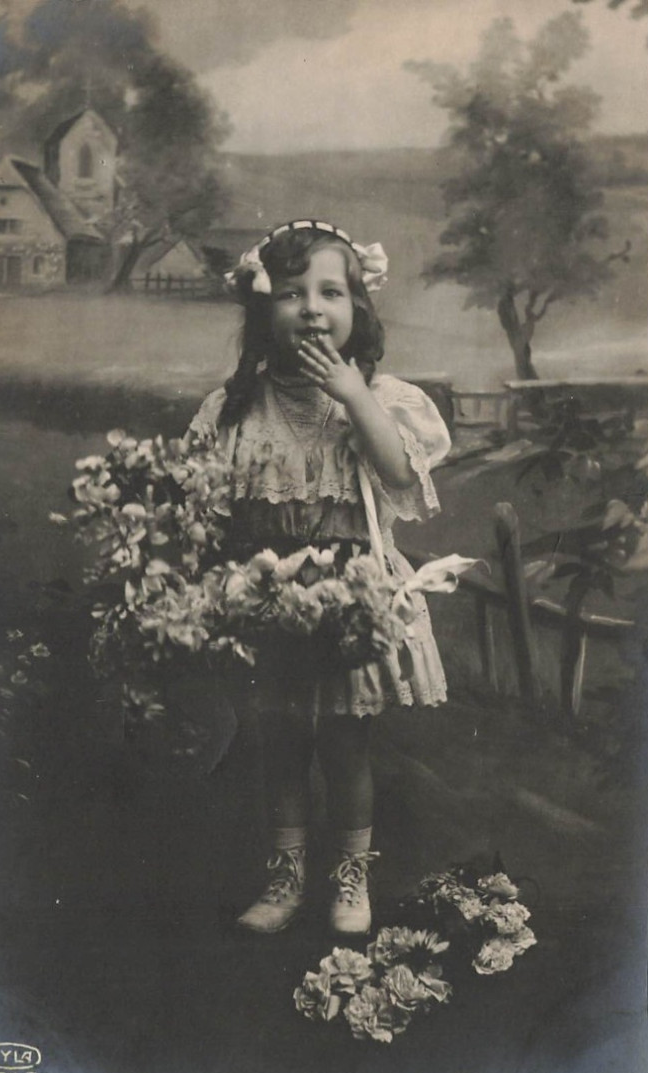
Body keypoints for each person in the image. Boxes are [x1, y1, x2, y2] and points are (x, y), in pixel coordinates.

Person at [187, 219, 451, 936]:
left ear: (357, 310)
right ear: (261, 312)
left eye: (330, 291)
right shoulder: (234, 410)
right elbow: (205, 508)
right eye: (291, 292)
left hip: (348, 600)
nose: (311, 307)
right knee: (277, 741)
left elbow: (400, 477)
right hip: (267, 597)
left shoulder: (379, 397)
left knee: (344, 743)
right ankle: (285, 878)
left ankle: (350, 877)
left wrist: (354, 394)